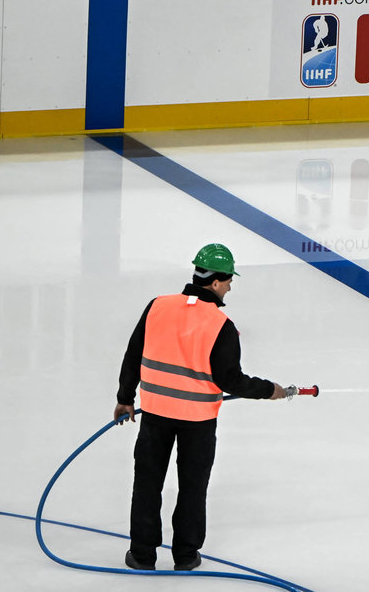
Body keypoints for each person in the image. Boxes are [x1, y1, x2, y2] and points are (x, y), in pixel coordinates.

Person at [114, 243, 287, 571]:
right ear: (217, 282)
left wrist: (125, 398)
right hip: (198, 421)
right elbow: (230, 381)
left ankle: (141, 555)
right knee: (192, 487)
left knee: (147, 483)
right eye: (229, 281)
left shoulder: (157, 307)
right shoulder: (220, 324)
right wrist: (269, 390)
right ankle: (186, 556)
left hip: (154, 414)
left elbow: (132, 355)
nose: (231, 287)